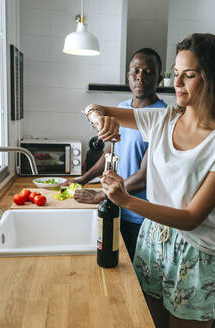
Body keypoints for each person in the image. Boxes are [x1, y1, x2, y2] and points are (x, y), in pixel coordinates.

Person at [83, 33, 215, 328]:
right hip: (153, 241)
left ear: (212, 78)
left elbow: (191, 218)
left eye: (189, 75)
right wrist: (100, 121)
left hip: (194, 251)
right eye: (175, 75)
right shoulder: (161, 120)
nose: (178, 84)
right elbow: (94, 109)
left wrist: (126, 200)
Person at [70, 48, 168, 261]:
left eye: (148, 72)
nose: (140, 77)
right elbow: (110, 153)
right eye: (136, 71)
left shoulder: (163, 117)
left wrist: (98, 196)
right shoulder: (122, 109)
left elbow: (144, 176)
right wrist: (83, 180)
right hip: (113, 206)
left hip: (139, 217)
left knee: (132, 277)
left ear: (159, 79)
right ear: (128, 75)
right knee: (110, 265)